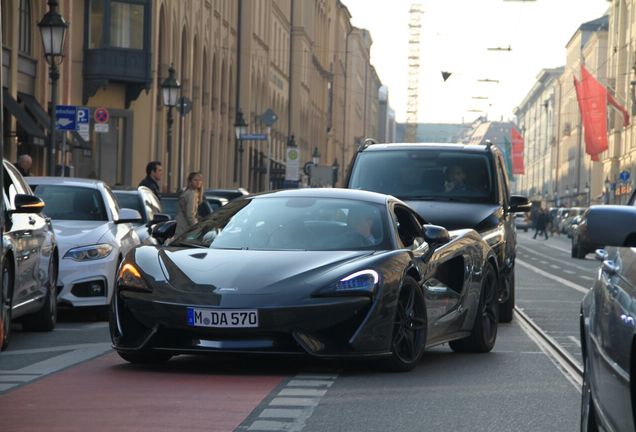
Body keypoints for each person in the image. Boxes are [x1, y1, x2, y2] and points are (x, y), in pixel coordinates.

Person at [175, 172, 203, 237]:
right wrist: (197, 228)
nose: (198, 182)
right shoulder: (192, 194)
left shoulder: (189, 192)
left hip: (181, 225)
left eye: (200, 180)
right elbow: (190, 215)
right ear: (190, 181)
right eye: (195, 180)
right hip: (184, 227)